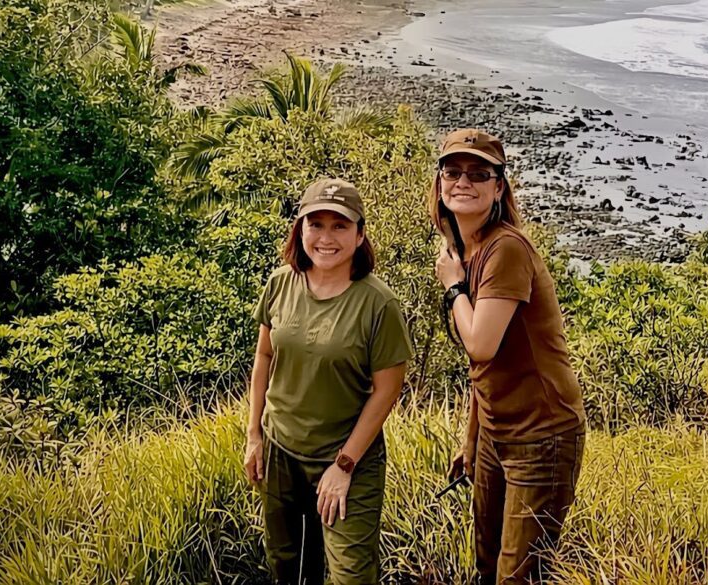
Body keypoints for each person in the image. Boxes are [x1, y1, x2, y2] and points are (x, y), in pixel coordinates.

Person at [432, 129, 587, 583]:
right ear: (440, 182)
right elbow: (484, 366)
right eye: (454, 171)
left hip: (542, 436)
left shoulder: (506, 250)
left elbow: (480, 343)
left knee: (518, 575)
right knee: (485, 566)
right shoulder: (465, 250)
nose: (464, 181)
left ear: (499, 187)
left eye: (480, 173)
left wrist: (453, 287)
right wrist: (471, 439)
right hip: (496, 435)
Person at [244, 178, 413, 585]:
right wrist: (254, 434)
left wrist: (344, 464)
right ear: (299, 229)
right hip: (281, 447)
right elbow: (265, 355)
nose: (325, 238)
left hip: (346, 455)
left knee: (350, 574)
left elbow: (387, 389)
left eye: (339, 226)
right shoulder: (280, 283)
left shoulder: (378, 303)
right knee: (288, 564)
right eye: (315, 224)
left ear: (360, 234)